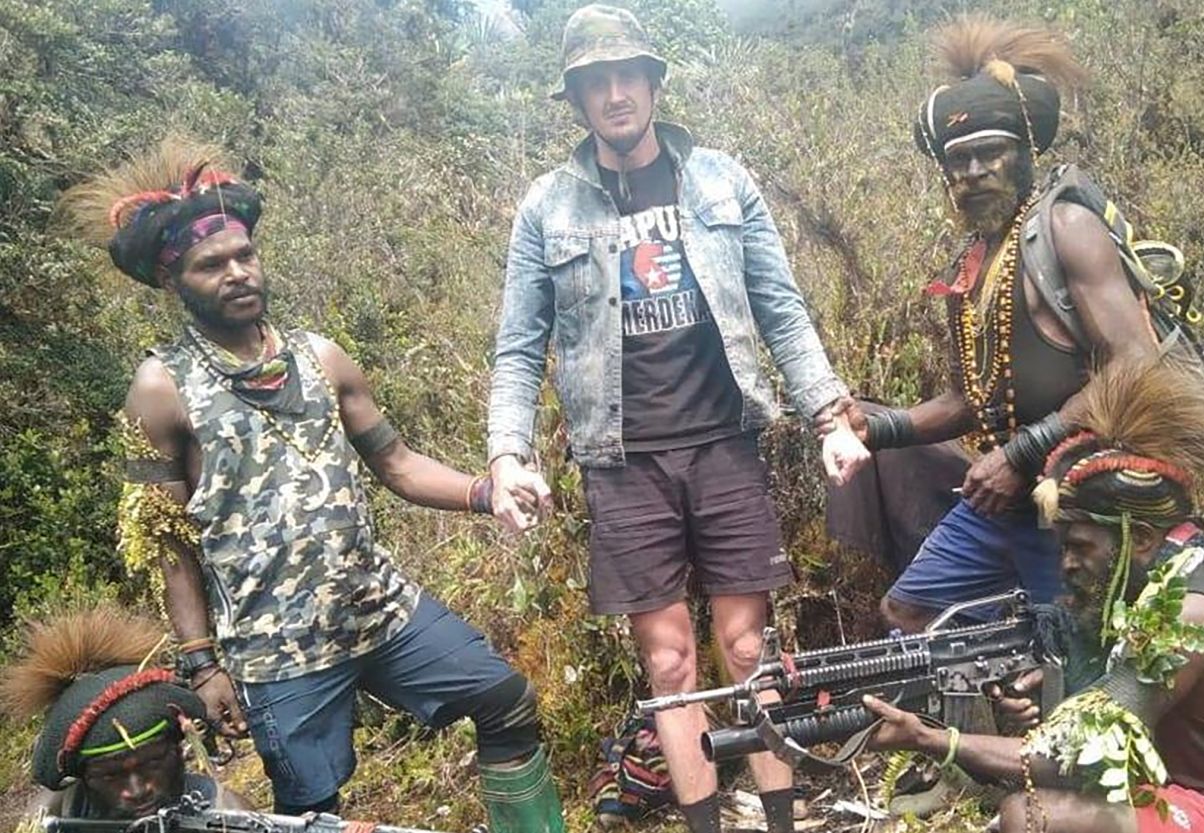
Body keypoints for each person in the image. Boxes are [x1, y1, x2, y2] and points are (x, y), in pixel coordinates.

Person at [59, 138, 564, 831]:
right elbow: (167, 542)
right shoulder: (161, 388)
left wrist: (488, 491)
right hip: (275, 649)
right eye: (212, 265)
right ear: (174, 282)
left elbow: (399, 464)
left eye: (245, 255)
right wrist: (203, 663)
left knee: (505, 697)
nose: (237, 272)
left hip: (377, 609)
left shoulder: (319, 355)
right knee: (310, 813)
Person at [484, 6, 864, 831]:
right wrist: (507, 453)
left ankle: (780, 819)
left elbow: (781, 310)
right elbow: (518, 346)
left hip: (723, 442)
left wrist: (830, 413)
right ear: (577, 99)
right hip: (622, 460)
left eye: (628, 76)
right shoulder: (546, 207)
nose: (614, 94)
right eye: (595, 82)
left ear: (654, 84)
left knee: (749, 650)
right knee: (668, 660)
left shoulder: (722, 180)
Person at [862, 356, 1204, 833]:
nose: (1067, 564)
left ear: (1139, 538)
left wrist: (932, 739)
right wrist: (1049, 691)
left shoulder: (1186, 616)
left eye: (1078, 546)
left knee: (1028, 817)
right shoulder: (1190, 578)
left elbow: (1071, 757)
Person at [826, 16, 1159, 632]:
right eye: (958, 160)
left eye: (989, 153)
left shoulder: (1066, 228)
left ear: (1023, 154)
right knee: (908, 612)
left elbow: (1137, 361)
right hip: (1000, 495)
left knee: (1079, 650)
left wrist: (1021, 454)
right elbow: (967, 400)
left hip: (1078, 494)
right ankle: (1001, 685)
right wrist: (879, 427)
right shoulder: (973, 262)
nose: (972, 172)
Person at [0, 607, 250, 820]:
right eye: (110, 775)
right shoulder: (55, 813)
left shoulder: (226, 813)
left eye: (153, 763)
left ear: (178, 748)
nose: (138, 789)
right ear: (83, 776)